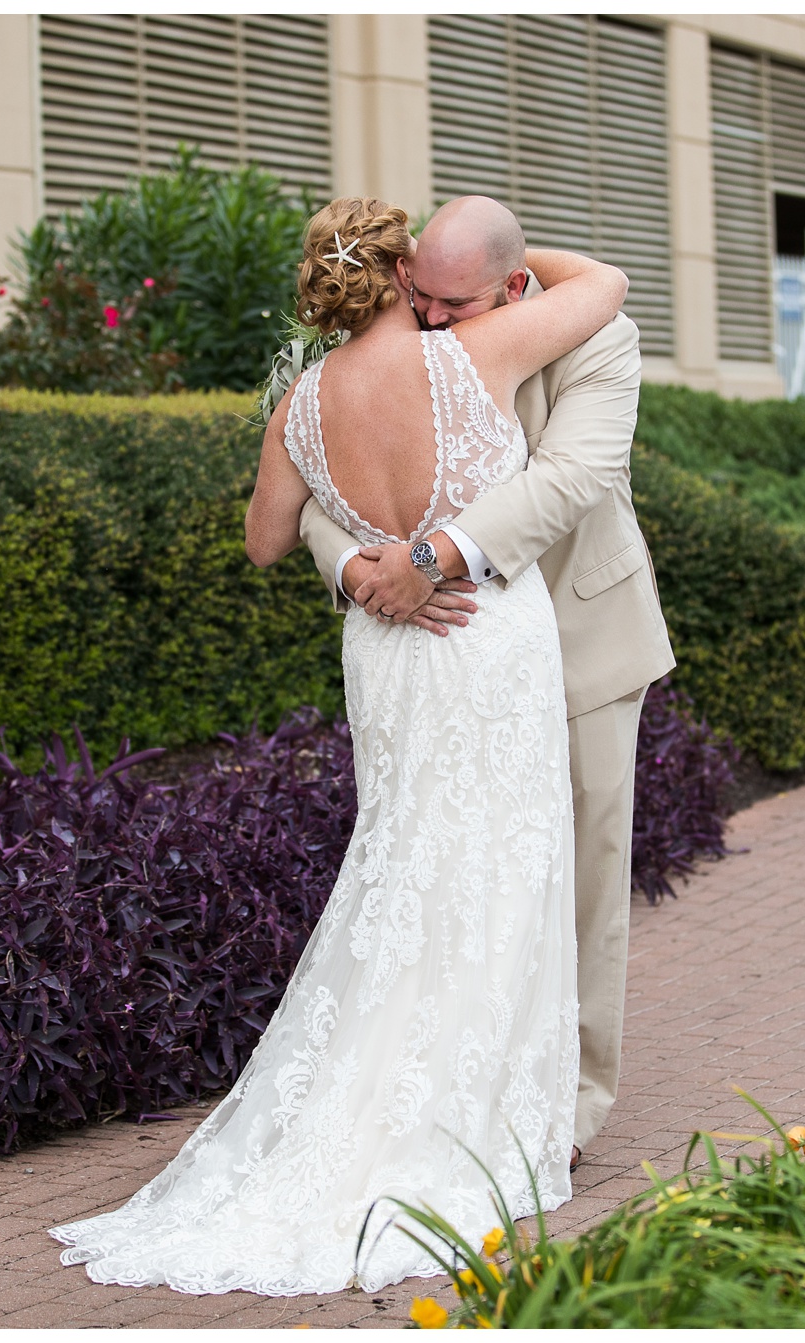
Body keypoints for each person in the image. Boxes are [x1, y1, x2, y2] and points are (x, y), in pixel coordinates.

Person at [49, 196, 633, 1297]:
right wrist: (378, 554)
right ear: (399, 272)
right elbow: (601, 279)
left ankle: (379, 1099)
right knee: (495, 869)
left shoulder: (300, 400)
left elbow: (265, 538)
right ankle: (471, 1113)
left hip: (392, 655)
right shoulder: (476, 348)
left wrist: (365, 541)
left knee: (402, 863)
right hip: (485, 639)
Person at [298, 196, 675, 1173]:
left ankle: (571, 1109)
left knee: (584, 881)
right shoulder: (408, 338)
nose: (426, 321)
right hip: (455, 659)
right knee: (449, 874)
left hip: (583, 643)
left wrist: (433, 554)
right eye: (414, 295)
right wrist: (357, 568)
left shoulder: (597, 335)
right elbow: (314, 490)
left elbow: (571, 476)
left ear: (513, 289)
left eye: (450, 303)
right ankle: (443, 1087)